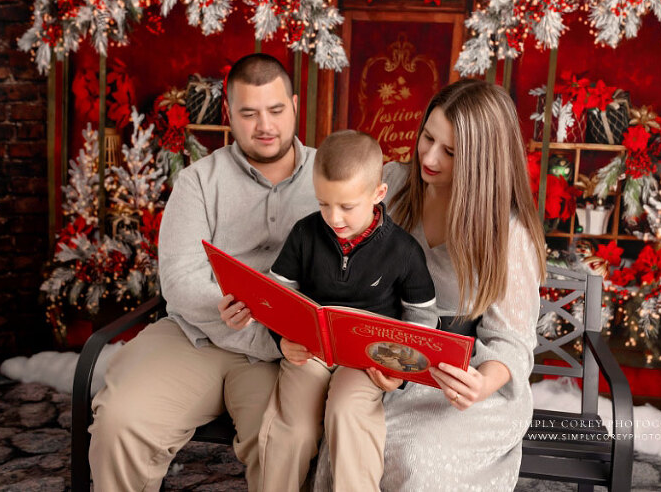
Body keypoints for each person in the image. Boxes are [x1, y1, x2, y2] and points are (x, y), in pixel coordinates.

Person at [88, 53, 318, 492]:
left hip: (284, 354)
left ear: (293, 106)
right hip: (197, 336)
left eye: (275, 110)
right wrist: (230, 308)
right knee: (121, 421)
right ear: (230, 114)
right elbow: (180, 279)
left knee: (286, 444)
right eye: (249, 113)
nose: (264, 125)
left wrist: (278, 335)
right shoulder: (198, 181)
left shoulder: (329, 178)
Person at [314, 79, 546, 491]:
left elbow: (512, 341)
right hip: (387, 361)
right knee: (353, 437)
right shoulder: (392, 184)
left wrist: (481, 384)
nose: (430, 156)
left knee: (415, 458)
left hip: (465, 382)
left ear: (483, 161)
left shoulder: (509, 232)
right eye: (428, 137)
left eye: (451, 151)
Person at [254, 130, 437, 492]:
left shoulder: (403, 250)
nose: (333, 218)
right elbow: (276, 295)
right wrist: (281, 338)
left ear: (377, 194)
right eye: (324, 203)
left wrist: (400, 370)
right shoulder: (306, 234)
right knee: (293, 427)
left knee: (348, 412)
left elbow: (422, 319)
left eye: (347, 206)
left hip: (367, 360)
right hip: (309, 350)